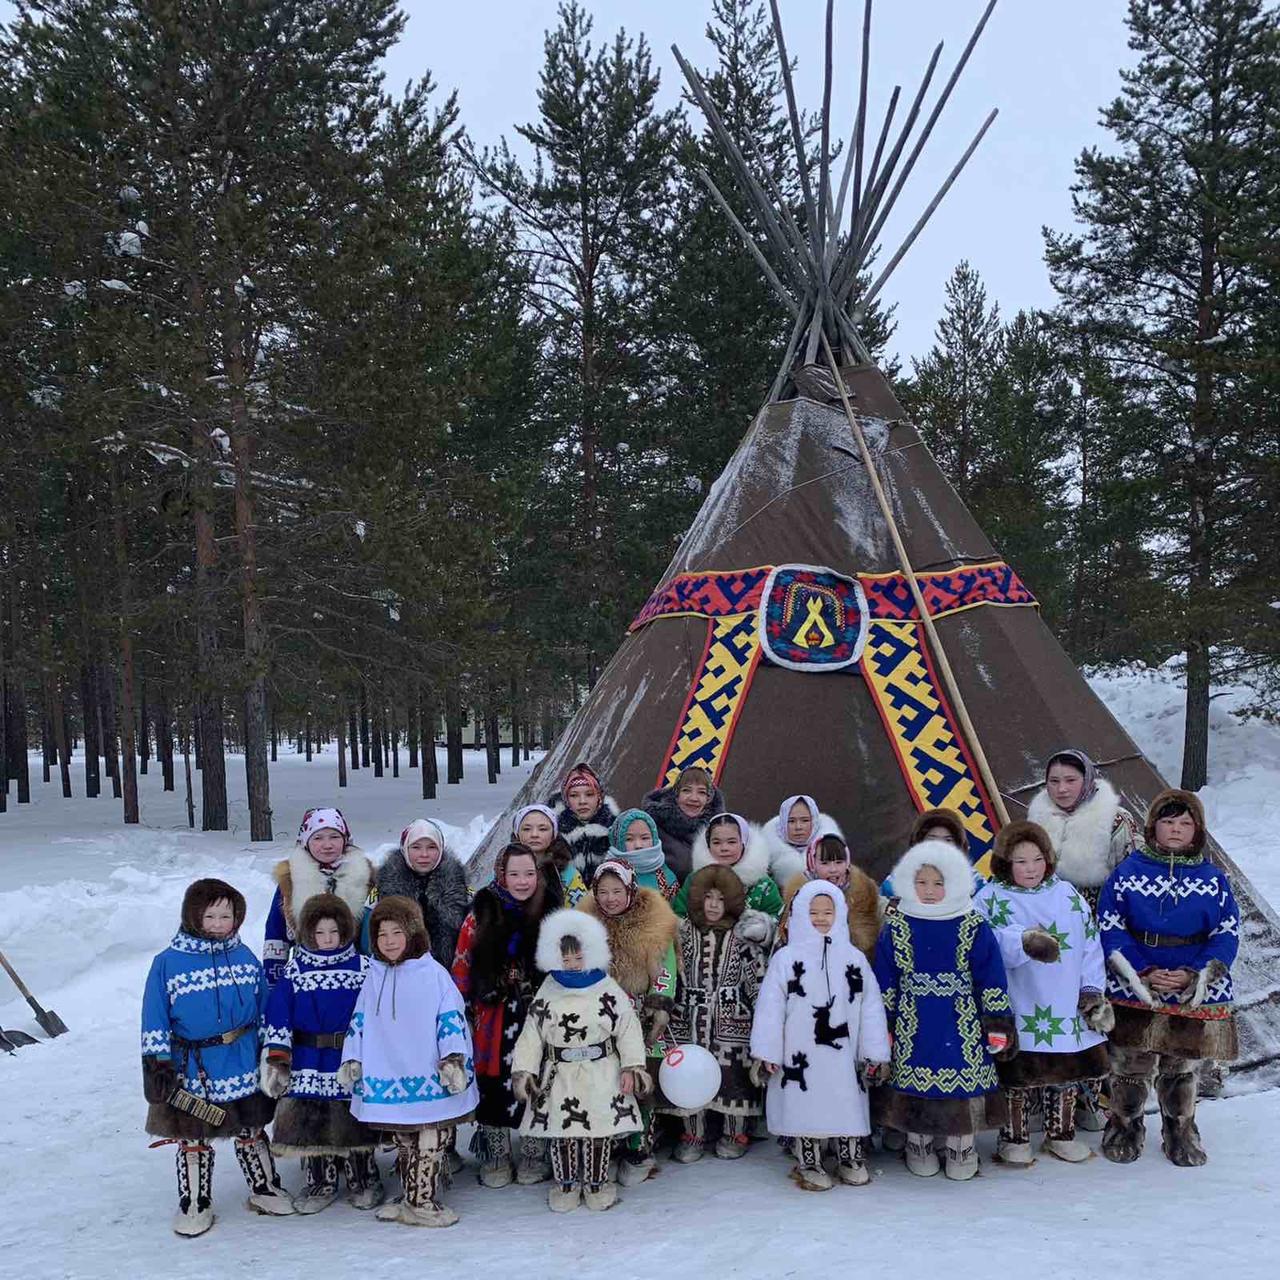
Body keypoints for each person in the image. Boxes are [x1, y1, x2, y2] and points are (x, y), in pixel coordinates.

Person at [141, 878, 291, 1236]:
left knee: (251, 1128)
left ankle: (265, 1188)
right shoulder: (167, 963)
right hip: (194, 1068)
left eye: (227, 916)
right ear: (193, 916)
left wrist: (272, 1052)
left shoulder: (244, 956)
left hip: (242, 1060)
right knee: (193, 1136)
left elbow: (264, 1008)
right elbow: (154, 1017)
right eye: (210, 916)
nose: (219, 924)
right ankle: (195, 1202)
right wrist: (157, 1065)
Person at [1097, 789, 1239, 1167]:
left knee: (1181, 1067)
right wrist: (1141, 971)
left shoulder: (1213, 880)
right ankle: (1125, 1125)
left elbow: (1226, 933)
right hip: (1136, 983)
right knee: (1130, 1066)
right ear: (1153, 827)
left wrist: (1195, 974)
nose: (1176, 829)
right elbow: (1111, 926)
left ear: (1197, 830)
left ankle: (1180, 1129)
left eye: (1185, 823)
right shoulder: (1127, 874)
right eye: (1168, 821)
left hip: (1189, 984)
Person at [873, 840, 1017, 1181]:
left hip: (961, 1020)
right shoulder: (897, 924)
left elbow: (990, 976)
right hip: (914, 1021)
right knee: (913, 1083)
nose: (929, 891)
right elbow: (885, 979)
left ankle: (960, 1146)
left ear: (954, 883)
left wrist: (997, 1022)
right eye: (921, 882)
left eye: (938, 883)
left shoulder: (972, 923)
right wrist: (884, 1025)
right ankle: (919, 1144)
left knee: (962, 1085)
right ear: (908, 882)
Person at [974, 822, 1112, 1166]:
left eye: (1037, 859)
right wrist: (1022, 942)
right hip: (1018, 1000)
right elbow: (982, 945)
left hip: (1064, 1000)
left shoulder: (1067, 895)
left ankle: (1061, 1134)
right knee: (1017, 1073)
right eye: (1021, 861)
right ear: (1005, 862)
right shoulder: (990, 898)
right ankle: (1014, 1138)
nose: (1030, 868)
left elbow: (1090, 943)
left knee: (1064, 1070)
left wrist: (1091, 989)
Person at [339, 896, 478, 1228]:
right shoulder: (374, 976)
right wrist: (353, 1057)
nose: (389, 942)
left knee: (431, 1138)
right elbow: (359, 1021)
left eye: (397, 933)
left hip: (430, 1074)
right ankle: (410, 1198)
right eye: (382, 934)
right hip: (391, 1074)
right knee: (404, 1138)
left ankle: (422, 1201)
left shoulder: (433, 974)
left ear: (413, 933)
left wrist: (453, 1058)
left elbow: (450, 1018)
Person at [750, 881, 891, 1190]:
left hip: (844, 1055)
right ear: (801, 914)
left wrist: (875, 1052)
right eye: (813, 912)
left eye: (828, 911)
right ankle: (809, 1160)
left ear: (840, 913)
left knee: (847, 1102)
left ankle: (850, 1157)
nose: (821, 918)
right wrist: (767, 1052)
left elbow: (870, 1007)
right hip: (799, 1052)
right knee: (805, 1106)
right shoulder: (786, 959)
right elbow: (770, 1009)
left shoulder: (854, 959)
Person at [510, 910, 649, 1212]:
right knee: (563, 1132)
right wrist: (525, 1070)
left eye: (578, 957)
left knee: (598, 1129)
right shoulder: (549, 989)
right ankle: (566, 1185)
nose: (572, 964)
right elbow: (532, 1032)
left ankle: (597, 1184)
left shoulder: (607, 988)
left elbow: (627, 1027)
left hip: (601, 1072)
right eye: (565, 958)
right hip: (560, 1074)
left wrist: (632, 1066)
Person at [451, 842, 564, 1187]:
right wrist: (463, 1003)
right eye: (514, 874)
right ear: (501, 874)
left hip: (538, 1007)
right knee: (494, 1076)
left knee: (539, 1072)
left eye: (529, 873)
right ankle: (496, 1152)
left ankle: (534, 1150)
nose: (522, 881)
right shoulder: (481, 912)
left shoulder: (551, 910)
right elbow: (463, 960)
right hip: (493, 1009)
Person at [260, 894, 382, 1211]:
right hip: (308, 1060)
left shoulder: (364, 968)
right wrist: (278, 1059)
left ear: (345, 931)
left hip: (348, 1057)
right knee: (312, 1122)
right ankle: (320, 1183)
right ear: (308, 934)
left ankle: (363, 1178)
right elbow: (279, 1014)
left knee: (354, 1118)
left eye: (333, 932)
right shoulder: (295, 970)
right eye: (319, 933)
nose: (327, 939)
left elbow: (376, 1012)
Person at [578, 858, 678, 1185]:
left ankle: (639, 1147)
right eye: (603, 892)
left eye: (617, 891)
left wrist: (658, 1005)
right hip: (599, 1018)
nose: (610, 899)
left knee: (640, 1082)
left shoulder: (653, 921)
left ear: (630, 889)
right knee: (605, 1083)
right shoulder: (585, 923)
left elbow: (665, 968)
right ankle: (607, 1146)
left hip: (639, 1016)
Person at [666, 866, 769, 1162]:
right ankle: (693, 1134)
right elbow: (669, 972)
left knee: (733, 1076)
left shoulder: (743, 936)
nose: (713, 905)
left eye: (721, 899)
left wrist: (764, 1018)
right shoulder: (683, 933)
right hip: (689, 1018)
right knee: (688, 1076)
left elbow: (757, 981)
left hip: (732, 1020)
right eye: (708, 897)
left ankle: (735, 1133)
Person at [264, 807, 374, 986]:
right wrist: (273, 982)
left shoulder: (365, 877)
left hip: (355, 977)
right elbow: (276, 934)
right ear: (306, 841)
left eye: (334, 837)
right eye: (318, 838)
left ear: (345, 839)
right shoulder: (291, 879)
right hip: (305, 976)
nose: (327, 845)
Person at [1027, 750, 1139, 912]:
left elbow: (1133, 876)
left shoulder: (1115, 820)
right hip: (1048, 916)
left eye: (1070, 780)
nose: (1061, 789)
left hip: (1104, 914)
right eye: (1054, 781)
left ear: (1086, 779)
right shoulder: (1037, 820)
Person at [364, 818, 470, 967]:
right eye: (416, 847)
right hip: (398, 972)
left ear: (441, 849)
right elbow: (367, 942)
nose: (424, 854)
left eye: (431, 847)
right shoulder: (384, 889)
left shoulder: (460, 889)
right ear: (405, 849)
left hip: (448, 975)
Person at [776, 833, 881, 959]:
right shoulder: (797, 896)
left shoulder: (863, 893)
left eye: (839, 862)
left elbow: (869, 935)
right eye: (825, 863)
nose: (833, 869)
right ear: (813, 863)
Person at [671, 813, 783, 928]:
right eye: (716, 843)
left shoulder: (763, 885)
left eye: (731, 842)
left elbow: (777, 918)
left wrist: (759, 929)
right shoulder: (696, 879)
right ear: (708, 845)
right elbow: (679, 914)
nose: (724, 848)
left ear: (744, 843)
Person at [643, 766, 726, 882]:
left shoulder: (720, 832)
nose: (694, 798)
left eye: (701, 792)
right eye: (686, 790)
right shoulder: (652, 827)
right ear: (676, 795)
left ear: (708, 799)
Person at [549, 762, 621, 885]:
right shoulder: (550, 833)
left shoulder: (616, 830)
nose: (582, 801)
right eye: (574, 795)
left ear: (599, 797)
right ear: (566, 799)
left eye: (589, 794)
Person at [759, 794, 842, 888]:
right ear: (782, 823)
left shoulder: (834, 850)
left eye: (805, 820)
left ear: (814, 821)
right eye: (791, 821)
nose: (798, 827)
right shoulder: (767, 857)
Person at [514, 803, 588, 907]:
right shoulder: (503, 872)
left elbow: (581, 911)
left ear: (554, 834)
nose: (534, 834)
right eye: (527, 829)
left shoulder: (569, 875)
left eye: (542, 829)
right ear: (517, 833)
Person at [607, 807, 680, 901]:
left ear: (654, 839)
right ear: (618, 842)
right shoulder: (607, 874)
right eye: (629, 839)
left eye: (645, 838)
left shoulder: (666, 878)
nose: (638, 845)